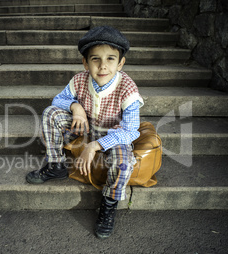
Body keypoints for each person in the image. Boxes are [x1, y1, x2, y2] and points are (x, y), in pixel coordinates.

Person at [26, 26, 144, 239]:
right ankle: (56, 165)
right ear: (85, 62)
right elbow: (58, 100)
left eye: (110, 59)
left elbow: (131, 130)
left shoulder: (127, 88)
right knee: (51, 113)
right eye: (95, 59)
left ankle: (109, 204)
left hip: (114, 137)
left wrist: (96, 146)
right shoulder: (79, 80)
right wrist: (75, 107)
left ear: (121, 63)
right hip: (85, 129)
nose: (102, 66)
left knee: (123, 162)